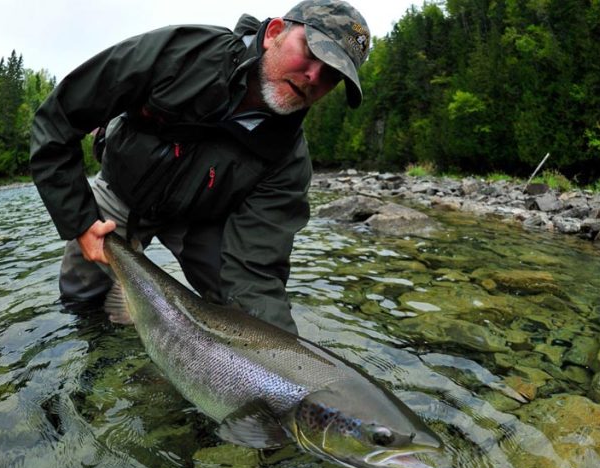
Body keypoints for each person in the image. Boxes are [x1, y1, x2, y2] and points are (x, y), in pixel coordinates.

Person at [29, 0, 370, 334]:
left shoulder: (288, 161)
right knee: (81, 296)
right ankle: (96, 357)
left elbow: (256, 271)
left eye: (331, 77)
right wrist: (80, 221)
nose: (313, 76)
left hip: (202, 219)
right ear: (275, 33)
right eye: (311, 54)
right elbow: (57, 119)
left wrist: (289, 365)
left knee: (239, 309)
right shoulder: (182, 53)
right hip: (122, 190)